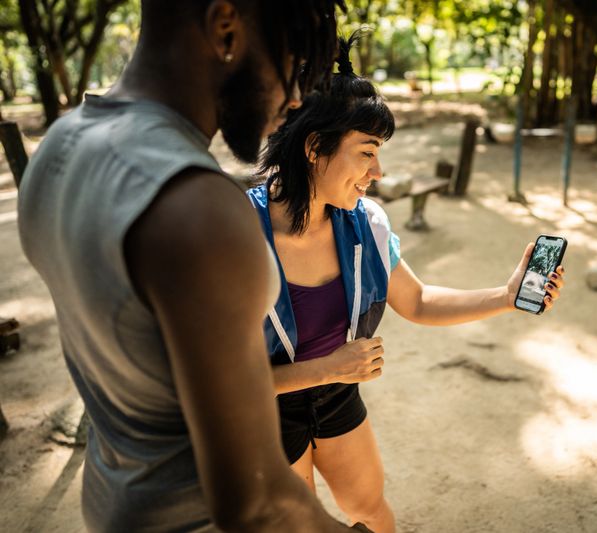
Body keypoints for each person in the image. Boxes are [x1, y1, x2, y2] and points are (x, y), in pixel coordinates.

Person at [17, 1, 366, 531]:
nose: (296, 97)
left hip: (111, 502)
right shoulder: (199, 209)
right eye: (291, 63)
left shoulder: (59, 149)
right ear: (226, 28)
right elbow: (257, 502)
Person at [247, 35, 567, 533]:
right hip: (262, 412)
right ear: (314, 148)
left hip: (337, 395)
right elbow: (217, 382)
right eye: (367, 152)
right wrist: (326, 367)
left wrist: (507, 297)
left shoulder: (365, 223)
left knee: (371, 511)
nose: (378, 172)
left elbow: (416, 300)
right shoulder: (238, 235)